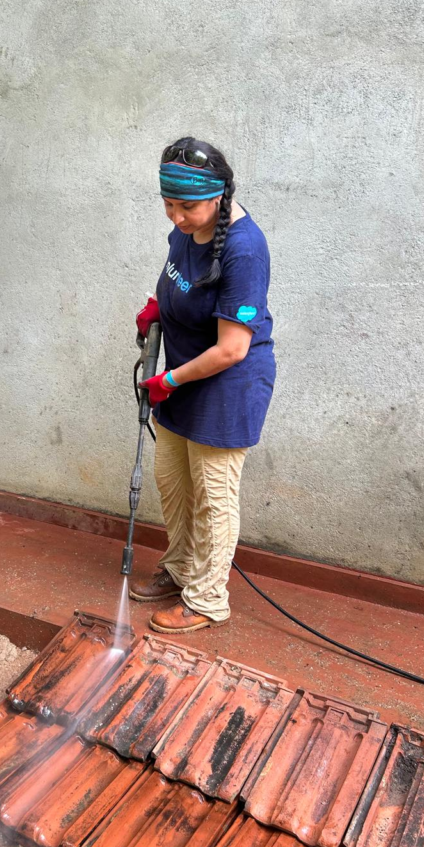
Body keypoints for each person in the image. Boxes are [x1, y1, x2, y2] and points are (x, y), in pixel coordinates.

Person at [129, 137, 275, 633]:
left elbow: (232, 348)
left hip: (226, 383)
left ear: (219, 196)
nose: (176, 216)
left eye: (187, 206)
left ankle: (208, 598)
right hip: (183, 374)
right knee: (173, 479)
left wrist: (168, 378)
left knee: (213, 493)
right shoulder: (187, 230)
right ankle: (181, 568)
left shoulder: (244, 248)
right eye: (168, 204)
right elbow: (176, 278)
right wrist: (158, 309)